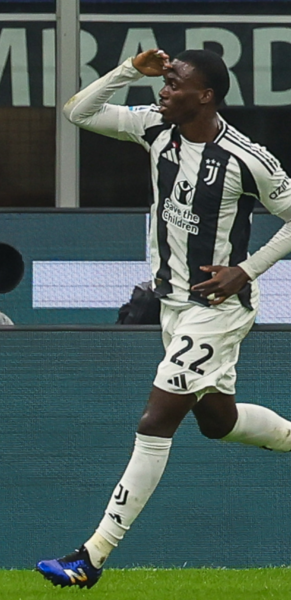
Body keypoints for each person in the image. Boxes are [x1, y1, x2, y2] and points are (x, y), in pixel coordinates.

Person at [36, 48, 291, 589]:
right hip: (172, 306)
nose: (165, 89)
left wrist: (244, 270)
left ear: (207, 97)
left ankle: (92, 556)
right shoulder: (155, 128)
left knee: (157, 420)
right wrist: (130, 69)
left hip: (216, 312)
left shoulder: (249, 159)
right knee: (217, 422)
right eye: (166, 80)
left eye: (176, 83)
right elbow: (77, 112)